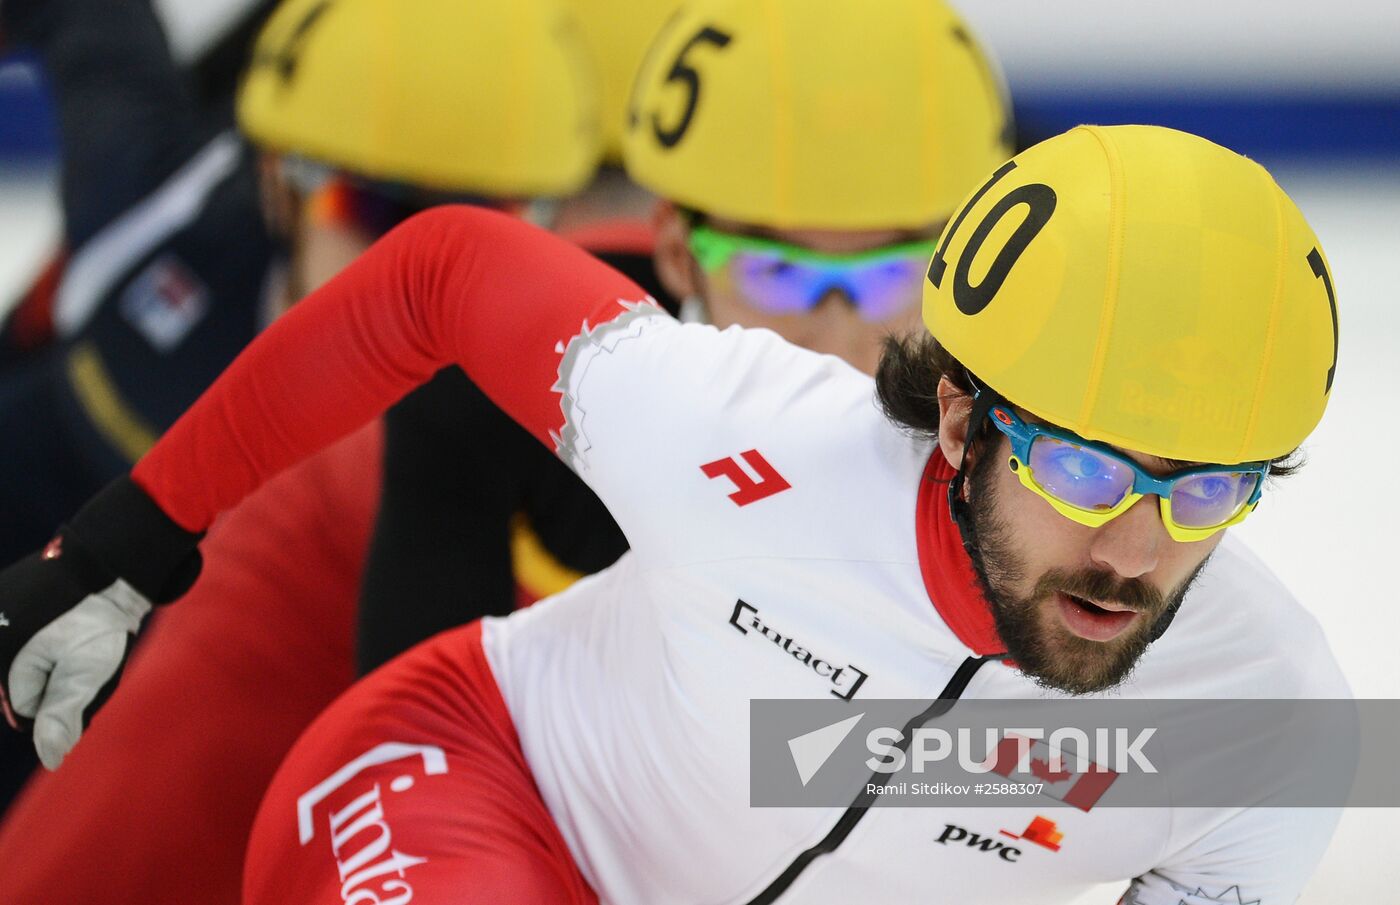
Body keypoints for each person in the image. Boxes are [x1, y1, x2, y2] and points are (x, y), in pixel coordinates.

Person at [0, 120, 1348, 902]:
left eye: (1206, 491)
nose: (1134, 549)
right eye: (1091, 472)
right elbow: (441, 273)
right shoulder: (758, 438)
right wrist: (129, 541)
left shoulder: (1267, 726)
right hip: (465, 775)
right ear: (960, 418)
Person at [0, 0, 602, 895]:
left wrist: (876, 768)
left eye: (484, 225)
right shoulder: (152, 209)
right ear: (278, 186)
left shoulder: (535, 422)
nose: (418, 270)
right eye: (373, 208)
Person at [357, 0, 1012, 670]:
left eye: (892, 274)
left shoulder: (1048, 438)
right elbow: (408, 736)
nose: (838, 343)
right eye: (776, 271)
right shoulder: (489, 399)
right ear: (676, 252)